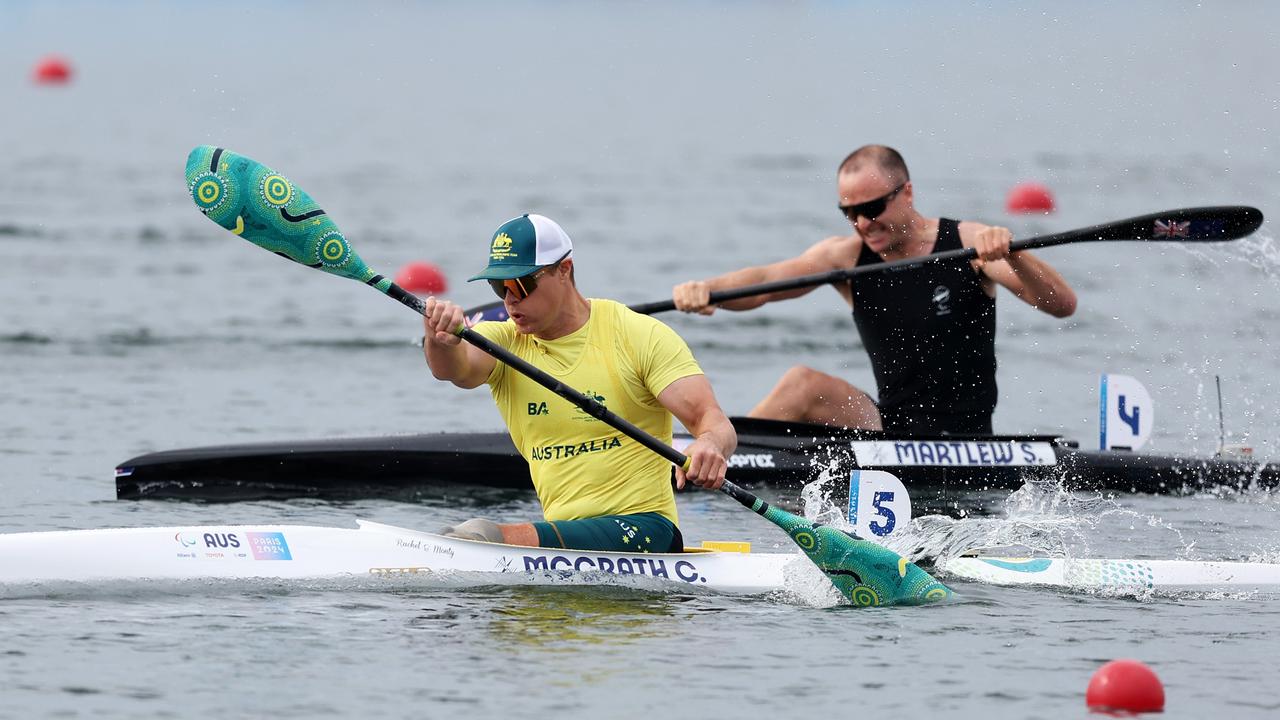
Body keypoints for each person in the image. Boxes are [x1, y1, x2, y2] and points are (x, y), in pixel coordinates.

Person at [672, 145, 1077, 435]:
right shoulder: (846, 258)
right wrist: (708, 291)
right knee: (802, 384)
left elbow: (1061, 305)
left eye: (872, 209)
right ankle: (721, 457)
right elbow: (765, 283)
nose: (862, 224)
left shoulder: (968, 244)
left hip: (966, 437)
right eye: (849, 213)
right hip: (888, 427)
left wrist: (1017, 254)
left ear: (908, 193)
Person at [422, 213, 736, 552]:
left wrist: (709, 444)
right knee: (475, 538)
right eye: (499, 287)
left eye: (521, 284)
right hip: (568, 538)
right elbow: (454, 370)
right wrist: (439, 339)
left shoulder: (637, 335)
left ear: (564, 270)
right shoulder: (503, 343)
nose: (510, 300)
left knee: (479, 533)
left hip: (647, 531)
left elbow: (714, 422)